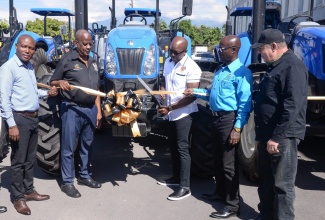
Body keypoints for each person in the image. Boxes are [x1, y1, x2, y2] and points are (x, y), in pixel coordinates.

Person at [184, 35, 252, 218]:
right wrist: (195, 91)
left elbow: (245, 104)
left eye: (222, 49)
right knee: (218, 160)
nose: (218, 52)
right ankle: (220, 193)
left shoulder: (241, 72)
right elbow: (212, 95)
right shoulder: (221, 70)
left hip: (228, 121)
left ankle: (232, 205)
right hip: (214, 119)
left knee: (229, 165)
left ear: (233, 50)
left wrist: (237, 129)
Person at [251, 29, 308, 220]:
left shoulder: (293, 67)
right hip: (267, 134)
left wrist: (277, 137)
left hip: (282, 137)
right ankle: (265, 214)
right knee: (266, 181)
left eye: (262, 49)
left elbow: (292, 106)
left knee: (282, 185)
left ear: (274, 46)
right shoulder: (276, 66)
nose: (260, 53)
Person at [0, 34, 57, 215]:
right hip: (19, 119)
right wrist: (11, 124)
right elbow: (4, 99)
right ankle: (18, 197)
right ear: (17, 46)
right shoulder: (9, 68)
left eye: (31, 48)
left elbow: (32, 92)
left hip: (33, 117)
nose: (27, 51)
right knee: (18, 161)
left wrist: (47, 93)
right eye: (24, 47)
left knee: (30, 159)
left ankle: (29, 190)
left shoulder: (29, 67)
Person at [50, 29, 102, 198]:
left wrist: (99, 112)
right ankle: (67, 182)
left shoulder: (94, 62)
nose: (88, 47)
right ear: (76, 43)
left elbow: (96, 90)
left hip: (90, 109)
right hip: (72, 108)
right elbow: (53, 82)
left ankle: (85, 176)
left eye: (90, 43)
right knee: (69, 147)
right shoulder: (66, 60)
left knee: (87, 145)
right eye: (84, 44)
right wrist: (60, 82)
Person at [156, 36, 202, 201]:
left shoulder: (192, 68)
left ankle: (185, 186)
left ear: (184, 51)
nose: (172, 55)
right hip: (169, 113)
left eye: (176, 53)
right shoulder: (168, 62)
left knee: (182, 148)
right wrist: (162, 90)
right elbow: (164, 80)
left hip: (183, 113)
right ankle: (176, 178)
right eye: (171, 51)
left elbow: (192, 96)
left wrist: (170, 108)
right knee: (173, 146)